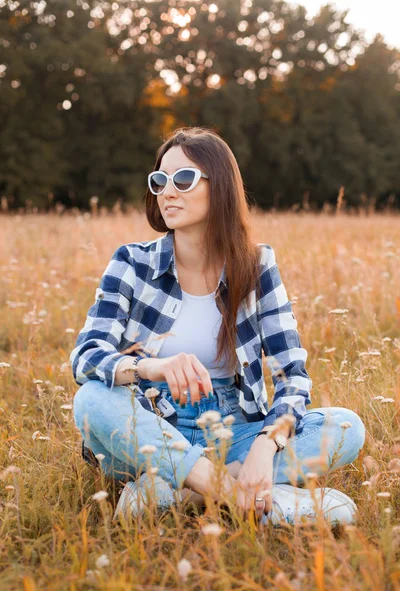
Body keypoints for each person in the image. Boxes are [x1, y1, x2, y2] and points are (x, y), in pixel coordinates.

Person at [70, 127, 365, 526]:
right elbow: (86, 357)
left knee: (347, 427)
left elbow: (292, 376)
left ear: (221, 186)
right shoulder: (131, 263)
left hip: (233, 429)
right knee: (91, 399)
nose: (167, 191)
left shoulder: (256, 266)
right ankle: (234, 493)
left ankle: (180, 492)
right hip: (150, 426)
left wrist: (266, 443)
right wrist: (148, 367)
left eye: (184, 179)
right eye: (159, 180)